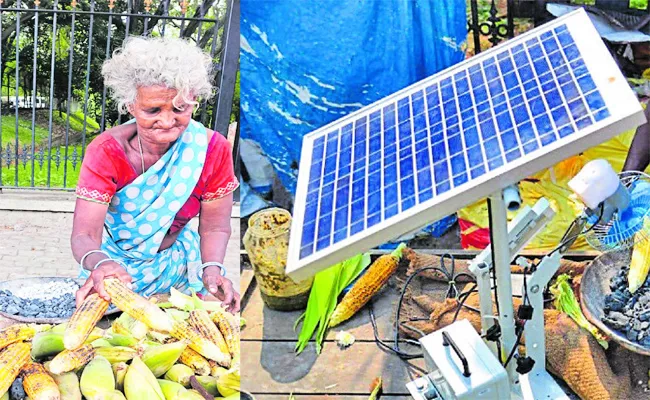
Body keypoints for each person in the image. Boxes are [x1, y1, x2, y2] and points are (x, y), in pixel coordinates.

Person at [71, 36, 240, 313]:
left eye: (179, 108)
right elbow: (84, 234)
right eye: (152, 110)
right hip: (114, 275)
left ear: (193, 101)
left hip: (179, 271)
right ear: (130, 106)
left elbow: (215, 226)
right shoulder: (106, 152)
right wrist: (101, 264)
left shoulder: (211, 149)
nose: (167, 120)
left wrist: (212, 269)